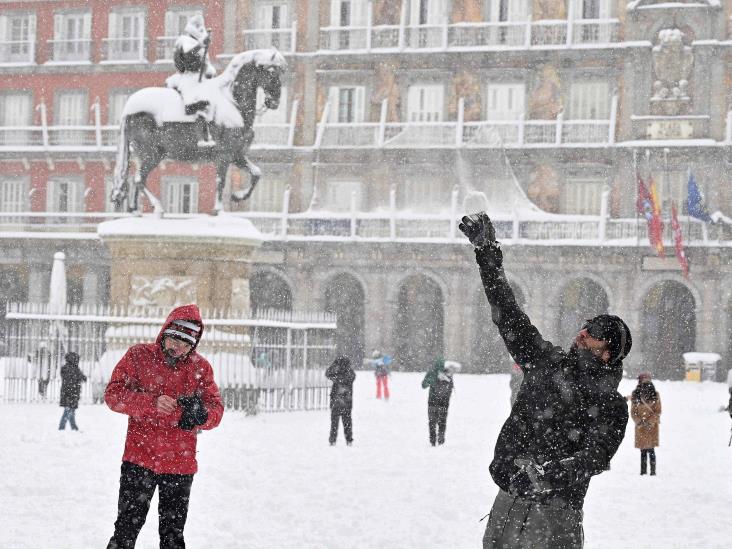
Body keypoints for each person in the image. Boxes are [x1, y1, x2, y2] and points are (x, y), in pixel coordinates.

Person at [459, 212, 632, 549]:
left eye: (595, 332)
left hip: (557, 519)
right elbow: (508, 313)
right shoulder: (546, 361)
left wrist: (546, 474)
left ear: (609, 352)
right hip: (507, 506)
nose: (583, 332)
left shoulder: (611, 405)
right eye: (586, 324)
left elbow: (595, 457)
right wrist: (488, 255)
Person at [105, 304, 223, 549]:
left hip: (180, 465)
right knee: (126, 529)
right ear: (165, 333)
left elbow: (216, 411)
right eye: (174, 340)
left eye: (185, 344)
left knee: (172, 537)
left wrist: (200, 414)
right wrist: (151, 403)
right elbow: (113, 395)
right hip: (139, 460)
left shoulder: (201, 369)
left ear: (194, 344)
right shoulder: (138, 356)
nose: (177, 348)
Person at [165, 14, 217, 147]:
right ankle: (201, 137)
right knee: (198, 103)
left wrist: (210, 70)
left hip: (200, 78)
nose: (201, 30)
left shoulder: (199, 44)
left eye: (202, 28)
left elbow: (205, 63)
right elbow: (188, 55)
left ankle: (212, 131)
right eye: (199, 28)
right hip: (188, 77)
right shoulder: (184, 41)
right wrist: (200, 45)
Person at [630, 372, 662, 476]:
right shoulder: (635, 395)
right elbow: (633, 412)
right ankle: (643, 471)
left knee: (651, 450)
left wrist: (649, 422)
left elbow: (657, 411)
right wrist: (639, 421)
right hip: (641, 427)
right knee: (643, 450)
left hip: (651, 427)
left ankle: (652, 471)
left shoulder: (655, 394)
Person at [421, 357, 455, 446]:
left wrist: (433, 380)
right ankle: (441, 440)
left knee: (432, 422)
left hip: (432, 402)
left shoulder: (431, 373)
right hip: (444, 403)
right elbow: (451, 388)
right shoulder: (447, 373)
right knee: (442, 422)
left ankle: (432, 441)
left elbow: (423, 385)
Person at [325, 356, 356, 446]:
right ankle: (349, 440)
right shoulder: (350, 373)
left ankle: (333, 440)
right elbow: (351, 377)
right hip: (347, 402)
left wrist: (335, 365)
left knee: (334, 422)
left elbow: (328, 373)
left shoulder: (336, 374)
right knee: (347, 422)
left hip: (336, 402)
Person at [58, 351, 86, 431]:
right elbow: (82, 378)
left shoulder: (65, 368)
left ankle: (73, 427)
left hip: (67, 393)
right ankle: (62, 427)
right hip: (72, 393)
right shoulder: (75, 369)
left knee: (70, 411)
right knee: (68, 411)